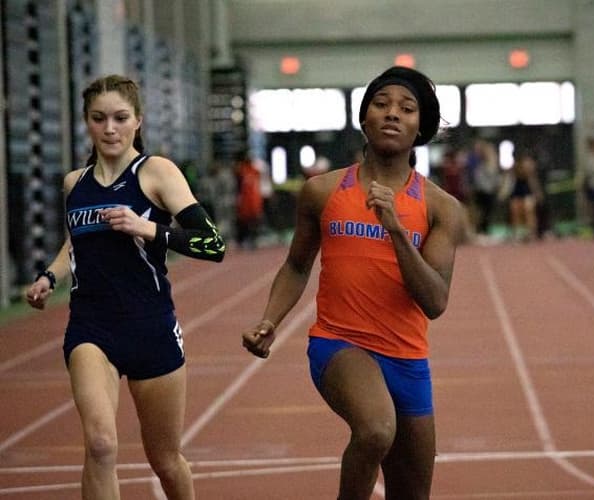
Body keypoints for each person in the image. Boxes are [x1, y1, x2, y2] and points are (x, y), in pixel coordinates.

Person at [241, 65, 465, 500]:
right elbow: (297, 266)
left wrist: (397, 230)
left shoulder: (441, 207)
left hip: (407, 359)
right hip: (339, 344)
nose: (392, 114)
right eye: (381, 105)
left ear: (421, 127)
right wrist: (270, 320)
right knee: (377, 428)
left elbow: (435, 301)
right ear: (364, 118)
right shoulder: (322, 192)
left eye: (406, 108)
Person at [24, 74, 225, 499]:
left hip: (150, 326)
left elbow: (213, 244)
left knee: (165, 460)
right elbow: (74, 241)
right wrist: (49, 276)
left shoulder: (156, 172)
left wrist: (148, 228)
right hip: (91, 327)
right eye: (99, 119)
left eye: (120, 118)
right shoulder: (73, 183)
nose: (109, 128)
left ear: (138, 121)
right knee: (100, 444)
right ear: (86, 123)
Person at [505, 151, 544, 242]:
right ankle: (517, 233)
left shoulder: (529, 167)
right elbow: (507, 181)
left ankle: (531, 233)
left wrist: (538, 194)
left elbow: (533, 182)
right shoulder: (513, 168)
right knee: (515, 210)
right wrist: (504, 193)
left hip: (527, 191)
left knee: (528, 209)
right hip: (516, 192)